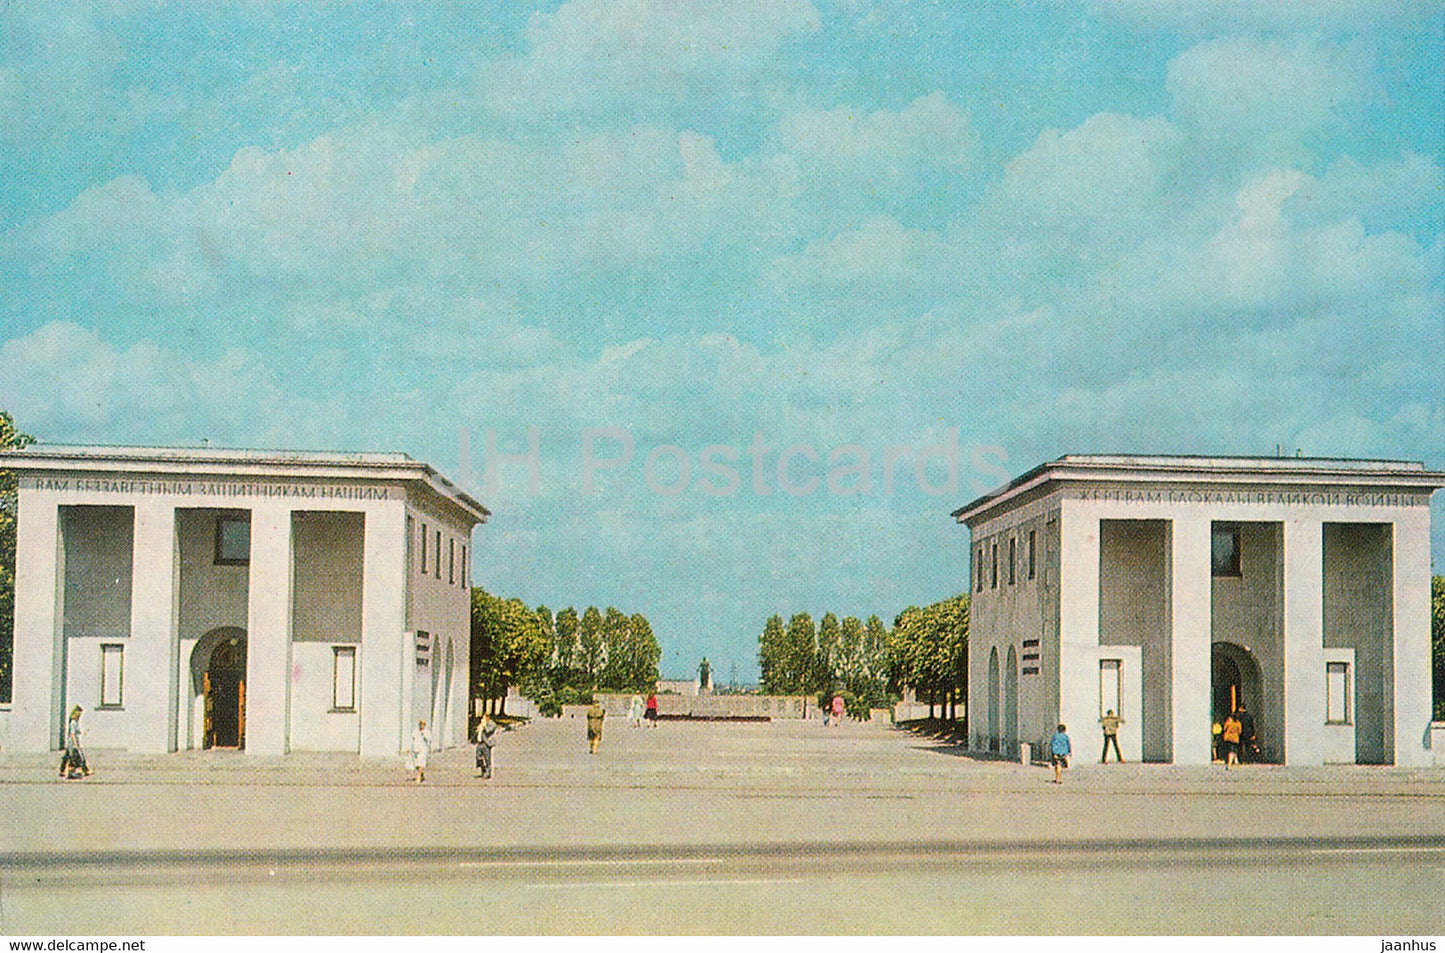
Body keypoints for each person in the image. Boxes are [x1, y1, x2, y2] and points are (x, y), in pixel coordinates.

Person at [60, 706, 89, 779]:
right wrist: (75, 744)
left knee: (67, 756)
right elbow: (72, 734)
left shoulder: (75, 722)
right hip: (72, 743)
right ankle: (82, 770)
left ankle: (62, 771)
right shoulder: (73, 723)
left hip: (72, 743)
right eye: (79, 715)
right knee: (77, 757)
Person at [410, 718, 431, 784]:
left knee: (421, 762)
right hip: (416, 749)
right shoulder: (415, 730)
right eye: (420, 724)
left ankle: (418, 777)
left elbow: (429, 739)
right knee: (417, 764)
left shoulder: (426, 731)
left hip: (423, 749)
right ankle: (421, 775)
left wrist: (424, 734)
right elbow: (413, 738)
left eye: (423, 724)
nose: (422, 726)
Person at [475, 715, 496, 779]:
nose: (482, 719)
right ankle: (483, 769)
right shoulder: (481, 724)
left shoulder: (492, 724)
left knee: (487, 759)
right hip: (480, 743)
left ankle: (488, 773)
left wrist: (484, 726)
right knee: (478, 757)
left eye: (483, 718)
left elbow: (488, 730)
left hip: (486, 743)